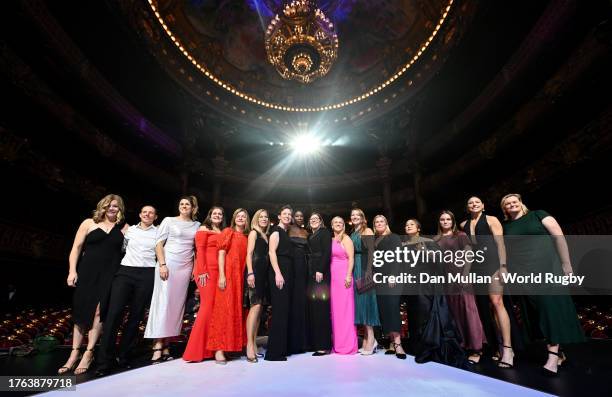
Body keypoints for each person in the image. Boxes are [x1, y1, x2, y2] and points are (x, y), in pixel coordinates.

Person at [501, 193, 584, 376]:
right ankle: (560, 354)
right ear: (504, 209)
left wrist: (566, 264)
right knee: (537, 313)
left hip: (548, 267)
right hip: (523, 272)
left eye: (515, 201)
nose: (512, 204)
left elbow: (558, 236)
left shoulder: (538, 214)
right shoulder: (506, 226)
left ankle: (552, 357)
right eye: (507, 203)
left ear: (521, 203)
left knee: (550, 308)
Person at [60, 194, 128, 375]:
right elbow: (76, 248)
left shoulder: (125, 228)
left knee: (99, 312)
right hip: (88, 272)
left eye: (115, 206)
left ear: (120, 209)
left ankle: (88, 353)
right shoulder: (88, 223)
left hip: (110, 275)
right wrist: (72, 271)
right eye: (108, 205)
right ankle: (74, 353)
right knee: (81, 311)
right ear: (102, 207)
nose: (112, 208)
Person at [96, 205, 158, 376]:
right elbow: (119, 248)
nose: (147, 214)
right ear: (139, 214)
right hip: (125, 272)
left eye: (151, 212)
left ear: (155, 216)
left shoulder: (159, 232)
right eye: (144, 211)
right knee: (114, 314)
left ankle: (123, 357)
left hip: (147, 273)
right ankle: (103, 362)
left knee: (136, 316)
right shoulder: (129, 230)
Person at [403, 218, 466, 367]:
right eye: (406, 225)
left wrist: (426, 253)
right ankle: (416, 346)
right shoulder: (403, 245)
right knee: (414, 315)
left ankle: (428, 346)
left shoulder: (428, 242)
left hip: (426, 284)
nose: (408, 226)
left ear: (418, 228)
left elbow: (439, 261)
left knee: (424, 313)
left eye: (411, 224)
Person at [144, 196, 200, 362]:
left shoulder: (197, 225)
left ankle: (167, 344)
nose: (183, 206)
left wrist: (195, 268)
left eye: (187, 204)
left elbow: (197, 249)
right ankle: (157, 345)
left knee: (176, 306)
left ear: (193, 208)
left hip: (185, 267)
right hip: (168, 264)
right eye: (181, 203)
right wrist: (162, 264)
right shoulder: (169, 220)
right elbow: (158, 244)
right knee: (163, 303)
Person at [460, 196, 514, 368]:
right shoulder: (463, 225)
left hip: (493, 263)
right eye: (470, 202)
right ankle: (495, 346)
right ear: (467, 207)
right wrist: (465, 272)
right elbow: (468, 250)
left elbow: (500, 244)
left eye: (477, 202)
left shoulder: (491, 219)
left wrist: (503, 266)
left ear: (483, 205)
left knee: (497, 302)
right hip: (476, 266)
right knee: (484, 308)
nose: (474, 204)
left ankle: (508, 349)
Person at [434, 210, 485, 364]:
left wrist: (465, 274)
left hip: (461, 277)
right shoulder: (436, 239)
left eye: (448, 219)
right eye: (442, 219)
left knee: (469, 311)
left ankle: (477, 348)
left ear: (452, 221)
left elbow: (469, 255)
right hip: (446, 280)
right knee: (454, 314)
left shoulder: (461, 235)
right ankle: (463, 344)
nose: (445, 222)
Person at [207, 208, 250, 364]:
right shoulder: (228, 232)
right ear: (234, 218)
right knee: (223, 311)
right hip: (229, 276)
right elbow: (221, 253)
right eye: (238, 216)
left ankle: (231, 347)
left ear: (247, 220)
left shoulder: (246, 237)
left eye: (243, 217)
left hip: (241, 278)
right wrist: (222, 275)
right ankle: (219, 350)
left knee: (236, 311)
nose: (240, 218)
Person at [182, 206, 225, 362]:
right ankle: (195, 351)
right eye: (214, 213)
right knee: (206, 308)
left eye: (220, 214)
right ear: (210, 215)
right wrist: (201, 271)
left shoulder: (223, 231)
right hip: (206, 272)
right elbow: (199, 250)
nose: (217, 215)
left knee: (215, 309)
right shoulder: (203, 228)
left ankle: (210, 349)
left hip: (220, 273)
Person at [372, 214, 406, 359]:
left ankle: (398, 344)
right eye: (377, 222)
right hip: (378, 279)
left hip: (392, 278)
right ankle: (391, 342)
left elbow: (398, 257)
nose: (379, 223)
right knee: (384, 310)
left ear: (386, 223)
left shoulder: (394, 237)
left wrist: (393, 275)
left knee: (392, 308)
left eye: (382, 221)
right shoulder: (374, 240)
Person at [265, 205, 295, 361]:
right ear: (279, 216)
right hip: (279, 272)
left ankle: (283, 348)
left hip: (286, 272)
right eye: (285, 214)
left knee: (284, 310)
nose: (288, 216)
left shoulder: (285, 232)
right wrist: (277, 273)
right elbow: (271, 252)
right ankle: (274, 353)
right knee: (279, 311)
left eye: (289, 214)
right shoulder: (276, 231)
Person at [349, 209, 380, 355]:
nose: (354, 217)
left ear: (363, 218)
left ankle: (372, 339)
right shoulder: (353, 233)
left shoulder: (367, 231)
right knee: (360, 304)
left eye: (357, 215)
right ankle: (367, 339)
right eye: (352, 215)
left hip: (364, 268)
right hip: (356, 268)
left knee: (367, 303)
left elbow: (372, 253)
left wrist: (368, 271)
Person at [244, 209, 270, 362]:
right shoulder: (254, 233)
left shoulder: (265, 235)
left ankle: (254, 343)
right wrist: (250, 273)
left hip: (264, 275)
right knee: (255, 307)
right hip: (255, 273)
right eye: (261, 217)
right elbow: (249, 253)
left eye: (266, 217)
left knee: (259, 309)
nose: (264, 219)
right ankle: (249, 345)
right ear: (256, 219)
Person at [330, 216, 358, 354]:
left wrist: (348, 275)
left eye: (340, 222)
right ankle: (338, 343)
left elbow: (351, 259)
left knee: (346, 311)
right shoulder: (331, 240)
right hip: (333, 279)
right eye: (335, 222)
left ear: (344, 225)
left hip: (343, 277)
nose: (338, 224)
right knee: (336, 312)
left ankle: (347, 345)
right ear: (332, 225)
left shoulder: (346, 239)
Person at [307, 212, 332, 356]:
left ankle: (323, 345)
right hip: (311, 272)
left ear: (321, 221)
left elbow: (327, 252)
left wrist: (320, 269)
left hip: (320, 272)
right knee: (314, 308)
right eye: (311, 219)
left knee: (321, 308)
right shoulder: (311, 235)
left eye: (316, 219)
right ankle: (316, 343)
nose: (314, 221)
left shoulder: (324, 232)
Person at [288, 211, 310, 354]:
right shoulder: (288, 230)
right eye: (297, 216)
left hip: (305, 267)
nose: (300, 218)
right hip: (291, 266)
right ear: (292, 217)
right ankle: (293, 341)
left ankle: (304, 341)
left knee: (303, 302)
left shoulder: (306, 232)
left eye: (302, 216)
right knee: (293, 302)